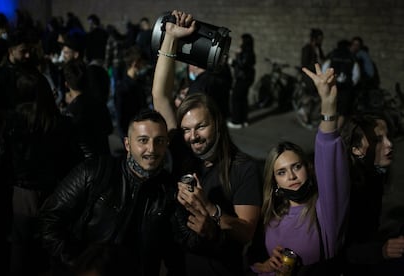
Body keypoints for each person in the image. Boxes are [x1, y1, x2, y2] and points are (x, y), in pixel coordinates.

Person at [152, 10, 262, 276]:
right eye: (187, 129)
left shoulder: (243, 167)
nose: (193, 136)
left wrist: (211, 210)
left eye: (201, 126)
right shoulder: (181, 147)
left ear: (217, 122)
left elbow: (246, 231)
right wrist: (171, 38)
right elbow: (160, 95)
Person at [38, 108, 186, 276]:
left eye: (159, 141)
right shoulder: (95, 171)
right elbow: (49, 218)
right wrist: (80, 264)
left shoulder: (169, 190)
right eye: (143, 140)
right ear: (127, 144)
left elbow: (175, 253)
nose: (151, 149)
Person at [247, 64, 350, 275]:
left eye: (296, 166)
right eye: (282, 172)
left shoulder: (325, 210)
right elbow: (254, 261)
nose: (292, 176)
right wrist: (262, 266)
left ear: (309, 168)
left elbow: (330, 163)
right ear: (274, 181)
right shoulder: (269, 215)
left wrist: (328, 108)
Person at [0, 68, 83, 276]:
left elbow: (1, 160)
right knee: (52, 249)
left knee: (20, 249)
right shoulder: (61, 123)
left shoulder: (13, 121)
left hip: (22, 194)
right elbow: (74, 160)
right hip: (56, 193)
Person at [340, 113, 404, 275]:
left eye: (388, 137)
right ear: (356, 150)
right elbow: (340, 250)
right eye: (378, 140)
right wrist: (380, 250)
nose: (389, 144)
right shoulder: (347, 189)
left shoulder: (374, 174)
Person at [322, 39, 360, 129]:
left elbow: (324, 69)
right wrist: (349, 84)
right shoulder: (352, 57)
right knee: (343, 112)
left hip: (332, 87)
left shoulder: (332, 56)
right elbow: (356, 76)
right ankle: (337, 131)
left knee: (332, 110)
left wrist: (328, 83)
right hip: (346, 89)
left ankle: (331, 129)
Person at [114, 45, 149, 140]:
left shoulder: (139, 83)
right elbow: (120, 119)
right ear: (136, 63)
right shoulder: (123, 89)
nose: (145, 66)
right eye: (144, 63)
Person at [228, 33, 256, 129]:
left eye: (241, 40)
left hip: (242, 78)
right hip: (247, 78)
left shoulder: (245, 52)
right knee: (243, 99)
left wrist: (235, 58)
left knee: (236, 98)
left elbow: (242, 65)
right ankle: (244, 120)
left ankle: (236, 121)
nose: (239, 41)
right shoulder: (250, 51)